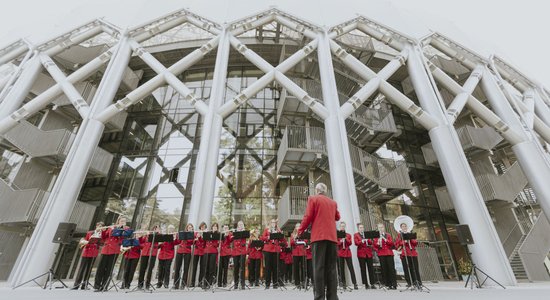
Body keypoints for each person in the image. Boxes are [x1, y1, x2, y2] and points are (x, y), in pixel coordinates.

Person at [298, 183, 340, 300]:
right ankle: (332, 297)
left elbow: (308, 216)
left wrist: (300, 230)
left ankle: (319, 297)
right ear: (325, 191)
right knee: (332, 269)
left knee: (318, 268)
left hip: (319, 237)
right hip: (332, 238)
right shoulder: (333, 202)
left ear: (316, 190)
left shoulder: (313, 198)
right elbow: (337, 217)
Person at [94, 216, 128, 292]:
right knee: (100, 268)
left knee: (109, 269)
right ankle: (97, 286)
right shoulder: (110, 227)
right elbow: (103, 237)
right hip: (106, 249)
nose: (123, 222)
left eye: (124, 221)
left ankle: (104, 286)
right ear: (118, 221)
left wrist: (119, 230)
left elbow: (124, 239)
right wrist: (102, 230)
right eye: (122, 221)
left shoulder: (125, 229)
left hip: (115, 250)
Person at [71, 222, 104, 290]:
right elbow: (84, 241)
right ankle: (76, 285)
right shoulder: (90, 232)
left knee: (89, 269)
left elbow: (101, 243)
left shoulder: (101, 235)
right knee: (82, 269)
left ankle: (84, 285)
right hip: (86, 252)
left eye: (101, 226)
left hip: (94, 253)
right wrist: (86, 242)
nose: (100, 227)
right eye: (99, 226)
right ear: (96, 226)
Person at [395, 222, 422, 288]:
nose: (404, 227)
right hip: (405, 254)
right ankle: (409, 282)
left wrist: (410, 239)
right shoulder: (399, 235)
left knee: (415, 268)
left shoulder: (411, 234)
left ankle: (418, 282)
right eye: (403, 226)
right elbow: (397, 244)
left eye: (405, 226)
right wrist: (404, 242)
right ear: (401, 228)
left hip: (413, 253)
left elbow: (415, 243)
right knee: (406, 269)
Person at [261, 219, 284, 289]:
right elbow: (262, 238)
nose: (273, 223)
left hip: (275, 250)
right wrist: (268, 237)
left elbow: (282, 239)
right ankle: (267, 284)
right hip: (268, 250)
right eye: (272, 222)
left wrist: (279, 232)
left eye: (274, 222)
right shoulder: (267, 230)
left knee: (275, 267)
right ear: (270, 223)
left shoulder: (277, 230)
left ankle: (275, 283)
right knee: (268, 267)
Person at [374, 223, 397, 290]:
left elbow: (392, 244)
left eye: (382, 227)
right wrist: (378, 243)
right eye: (379, 227)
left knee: (391, 269)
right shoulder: (376, 236)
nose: (381, 229)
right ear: (378, 228)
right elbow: (374, 246)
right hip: (381, 254)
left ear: (384, 228)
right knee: (384, 269)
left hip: (389, 253)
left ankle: (394, 284)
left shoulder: (388, 235)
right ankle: (387, 284)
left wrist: (386, 240)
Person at [137, 225, 160, 290]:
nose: (156, 229)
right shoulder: (147, 235)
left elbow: (159, 240)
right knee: (142, 269)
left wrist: (158, 233)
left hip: (152, 254)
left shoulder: (159, 235)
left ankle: (147, 284)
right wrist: (140, 236)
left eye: (157, 229)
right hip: (145, 253)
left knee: (150, 269)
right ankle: (140, 284)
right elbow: (140, 242)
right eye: (155, 228)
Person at [336, 222, 358, 290]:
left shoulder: (348, 235)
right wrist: (341, 242)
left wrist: (346, 239)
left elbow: (350, 243)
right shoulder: (337, 235)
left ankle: (355, 283)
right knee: (341, 269)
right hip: (340, 253)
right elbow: (336, 243)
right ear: (340, 227)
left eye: (343, 226)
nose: (342, 227)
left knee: (351, 268)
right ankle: (343, 283)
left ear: (345, 227)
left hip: (348, 252)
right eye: (341, 226)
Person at [354, 223, 375, 289]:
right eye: (360, 227)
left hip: (368, 253)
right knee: (363, 269)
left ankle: (372, 283)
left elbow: (371, 242)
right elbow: (356, 243)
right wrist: (362, 241)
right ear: (358, 228)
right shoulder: (356, 235)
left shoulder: (366, 234)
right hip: (361, 253)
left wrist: (367, 240)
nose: (362, 229)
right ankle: (365, 284)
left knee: (370, 269)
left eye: (362, 227)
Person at [174, 223, 194, 289]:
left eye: (191, 227)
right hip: (180, 251)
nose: (190, 228)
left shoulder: (192, 235)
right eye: (189, 227)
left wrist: (189, 235)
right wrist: (176, 238)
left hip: (187, 252)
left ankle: (183, 284)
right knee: (177, 268)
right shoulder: (182, 233)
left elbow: (191, 242)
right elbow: (178, 242)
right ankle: (176, 284)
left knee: (186, 268)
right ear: (187, 228)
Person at [230, 221, 247, 289]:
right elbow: (230, 239)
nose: (240, 226)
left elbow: (246, 237)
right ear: (237, 226)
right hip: (235, 251)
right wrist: (233, 233)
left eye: (241, 224)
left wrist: (243, 230)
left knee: (242, 267)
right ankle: (236, 284)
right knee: (236, 267)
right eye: (239, 225)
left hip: (242, 251)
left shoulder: (245, 232)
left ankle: (242, 284)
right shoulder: (234, 232)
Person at [204, 222, 220, 288]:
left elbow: (217, 244)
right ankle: (205, 282)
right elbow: (204, 241)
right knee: (206, 267)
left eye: (216, 227)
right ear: (211, 227)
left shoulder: (218, 234)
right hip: (206, 251)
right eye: (213, 226)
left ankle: (210, 282)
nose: (214, 227)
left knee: (211, 267)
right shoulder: (208, 233)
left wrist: (214, 234)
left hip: (213, 251)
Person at [191, 222, 207, 287]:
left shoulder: (206, 234)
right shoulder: (196, 233)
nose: (202, 228)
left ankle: (200, 282)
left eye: (204, 227)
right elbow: (192, 242)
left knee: (202, 267)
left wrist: (201, 237)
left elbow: (205, 242)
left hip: (203, 251)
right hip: (196, 251)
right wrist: (195, 239)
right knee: (194, 267)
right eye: (202, 227)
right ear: (200, 227)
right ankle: (192, 282)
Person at [290, 223, 306, 288]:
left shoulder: (303, 233)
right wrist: (295, 238)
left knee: (303, 268)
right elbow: (291, 243)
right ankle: (297, 283)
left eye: (299, 226)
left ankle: (303, 281)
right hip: (296, 253)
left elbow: (306, 241)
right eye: (297, 226)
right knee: (296, 268)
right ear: (295, 227)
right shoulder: (292, 234)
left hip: (302, 252)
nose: (298, 227)